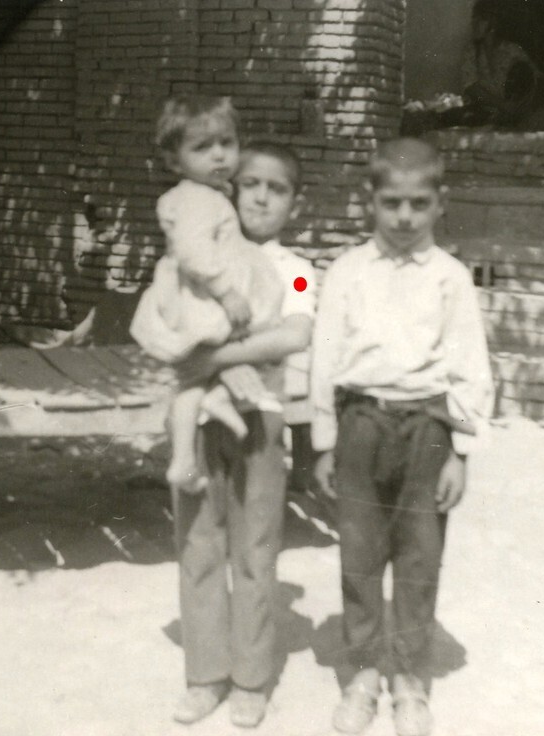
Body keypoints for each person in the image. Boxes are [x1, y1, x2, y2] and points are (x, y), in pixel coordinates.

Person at [310, 138, 493, 736]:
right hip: (361, 423)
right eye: (392, 203)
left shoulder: (451, 279)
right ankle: (364, 673)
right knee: (359, 555)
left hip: (427, 429)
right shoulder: (346, 273)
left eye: (419, 203)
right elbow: (324, 360)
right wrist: (324, 442)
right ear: (370, 200)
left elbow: (469, 368)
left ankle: (411, 679)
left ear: (441, 202)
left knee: (420, 556)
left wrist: (460, 454)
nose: (405, 217)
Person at [167, 141, 316, 728]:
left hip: (261, 417)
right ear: (229, 190)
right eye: (250, 184)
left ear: (294, 204)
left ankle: (251, 678)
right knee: (199, 544)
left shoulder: (295, 271)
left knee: (255, 547)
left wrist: (216, 359)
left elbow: (294, 334)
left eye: (276, 189)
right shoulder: (203, 257)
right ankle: (206, 674)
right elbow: (171, 319)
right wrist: (209, 367)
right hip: (198, 418)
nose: (260, 198)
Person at [129, 96, 284, 493]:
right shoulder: (197, 199)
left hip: (199, 298)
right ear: (174, 161)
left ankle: (184, 455)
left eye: (226, 143)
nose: (218, 155)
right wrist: (226, 292)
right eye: (202, 147)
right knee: (241, 349)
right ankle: (210, 408)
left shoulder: (204, 195)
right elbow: (193, 253)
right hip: (203, 299)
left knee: (191, 380)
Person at [460, 0, 541, 128]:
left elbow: (534, 80)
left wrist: (517, 107)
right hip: (480, 119)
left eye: (482, 19)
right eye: (474, 18)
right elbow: (470, 87)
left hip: (510, 121)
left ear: (494, 23)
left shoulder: (513, 51)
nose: (474, 23)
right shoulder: (472, 51)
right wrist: (503, 105)